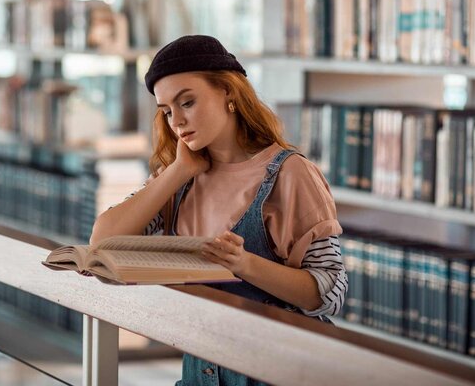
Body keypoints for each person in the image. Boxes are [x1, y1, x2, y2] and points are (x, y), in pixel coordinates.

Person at [90, 35, 347, 386]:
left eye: (187, 102)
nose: (177, 121)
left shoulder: (291, 173)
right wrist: (179, 172)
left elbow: (329, 292)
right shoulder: (177, 178)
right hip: (200, 372)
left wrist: (244, 265)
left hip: (278, 372)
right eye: (166, 111)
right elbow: (102, 243)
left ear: (228, 93)